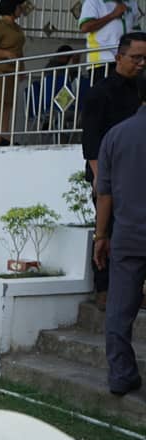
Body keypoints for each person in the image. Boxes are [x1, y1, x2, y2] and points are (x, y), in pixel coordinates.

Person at [81, 32, 146, 310]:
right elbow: (91, 140)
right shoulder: (99, 92)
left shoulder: (143, 90)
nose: (142, 63)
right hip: (106, 175)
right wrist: (99, 178)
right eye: (136, 57)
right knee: (105, 232)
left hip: (136, 174)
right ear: (119, 57)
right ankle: (104, 289)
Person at [93, 72, 146, 396]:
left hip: (127, 235)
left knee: (119, 310)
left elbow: (105, 192)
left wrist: (101, 236)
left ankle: (121, 375)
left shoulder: (116, 135)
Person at [0, 0, 26, 146]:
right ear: (12, 8)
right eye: (19, 6)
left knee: (8, 103)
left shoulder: (17, 28)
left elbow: (20, 51)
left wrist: (21, 69)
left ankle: (5, 133)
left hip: (12, 71)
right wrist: (6, 54)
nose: (21, 9)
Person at [80, 0, 142, 69]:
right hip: (102, 62)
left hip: (126, 61)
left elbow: (135, 29)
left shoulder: (131, 2)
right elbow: (85, 27)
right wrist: (113, 15)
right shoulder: (93, 2)